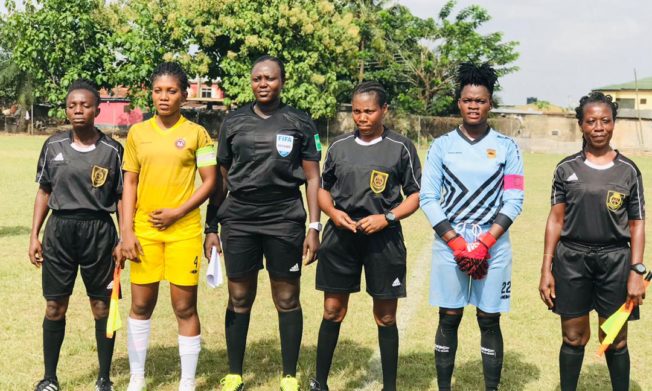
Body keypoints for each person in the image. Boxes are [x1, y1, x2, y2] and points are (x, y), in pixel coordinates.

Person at [203, 55, 321, 391]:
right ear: (251, 82)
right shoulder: (233, 122)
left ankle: (288, 375)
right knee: (239, 297)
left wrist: (314, 227)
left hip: (284, 217)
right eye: (257, 78)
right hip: (239, 218)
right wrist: (212, 227)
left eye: (269, 78)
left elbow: (313, 179)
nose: (263, 84)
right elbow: (221, 179)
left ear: (282, 81)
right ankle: (235, 373)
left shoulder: (299, 121)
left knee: (286, 298)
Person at [309, 81, 421, 391]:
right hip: (341, 237)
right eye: (357, 111)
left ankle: (389, 386)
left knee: (385, 316)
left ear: (384, 110)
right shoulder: (339, 146)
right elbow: (322, 189)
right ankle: (320, 382)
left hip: (383, 239)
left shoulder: (401, 147)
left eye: (369, 111)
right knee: (333, 310)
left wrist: (386, 218)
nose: (362, 117)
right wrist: (333, 213)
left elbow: (414, 195)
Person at [420, 63, 524, 391]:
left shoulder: (508, 147)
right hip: (451, 242)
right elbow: (428, 197)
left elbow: (514, 199)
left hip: (492, 244)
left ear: (490, 103)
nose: (474, 106)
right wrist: (456, 244)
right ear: (459, 103)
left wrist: (484, 244)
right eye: (468, 100)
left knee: (488, 318)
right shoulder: (440, 146)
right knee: (449, 316)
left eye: (480, 101)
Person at [539, 92, 645, 391]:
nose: (599, 127)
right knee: (573, 337)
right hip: (572, 260)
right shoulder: (565, 169)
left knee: (615, 338)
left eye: (605, 121)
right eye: (591, 121)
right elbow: (556, 220)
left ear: (614, 123)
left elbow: (637, 223)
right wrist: (547, 268)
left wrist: (637, 270)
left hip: (616, 262)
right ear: (581, 125)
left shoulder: (629, 171)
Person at [121, 62, 217, 391]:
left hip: (184, 231)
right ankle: (137, 378)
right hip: (144, 233)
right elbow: (129, 185)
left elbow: (209, 182)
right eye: (158, 91)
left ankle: (187, 382)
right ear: (152, 93)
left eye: (171, 91)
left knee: (184, 306)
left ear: (184, 94)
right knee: (141, 305)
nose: (164, 97)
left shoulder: (197, 134)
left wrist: (177, 212)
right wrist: (127, 232)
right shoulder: (137, 133)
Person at [29, 79, 124, 391]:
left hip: (99, 232)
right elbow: (44, 190)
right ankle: (50, 378)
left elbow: (122, 196)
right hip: (60, 231)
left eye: (85, 105)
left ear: (97, 109)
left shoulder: (112, 150)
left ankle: (104, 378)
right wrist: (34, 235)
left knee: (102, 307)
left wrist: (125, 237)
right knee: (55, 306)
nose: (78, 110)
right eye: (72, 105)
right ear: (66, 110)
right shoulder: (53, 146)